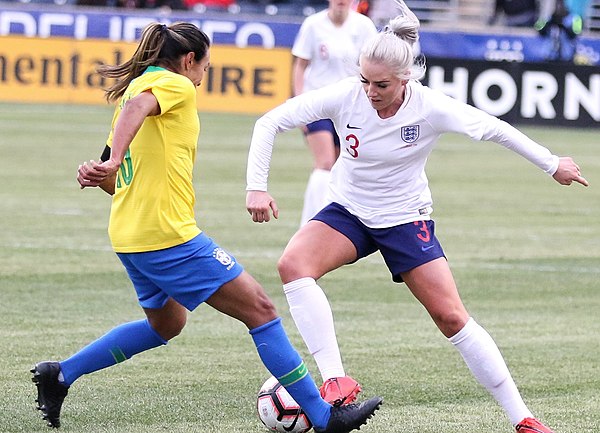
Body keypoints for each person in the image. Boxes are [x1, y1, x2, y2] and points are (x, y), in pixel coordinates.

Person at [245, 1, 588, 432]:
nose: (370, 91)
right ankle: (336, 380)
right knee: (292, 265)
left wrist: (551, 163)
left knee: (451, 318)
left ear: (405, 78)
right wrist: (256, 186)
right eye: (364, 80)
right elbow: (269, 121)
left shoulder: (429, 106)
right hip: (349, 212)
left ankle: (524, 418)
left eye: (381, 85)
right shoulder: (346, 96)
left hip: (406, 218)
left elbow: (496, 129)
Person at [30, 22, 382, 432]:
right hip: (169, 237)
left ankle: (61, 374)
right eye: (205, 67)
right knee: (262, 311)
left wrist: (101, 169)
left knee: (167, 324)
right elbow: (135, 114)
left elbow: (116, 177)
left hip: (131, 235)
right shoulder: (172, 85)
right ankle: (324, 418)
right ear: (189, 60)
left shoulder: (137, 88)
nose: (202, 77)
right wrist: (111, 162)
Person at [292, 0, 377, 227]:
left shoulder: (364, 26)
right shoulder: (313, 24)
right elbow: (300, 64)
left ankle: (333, 222)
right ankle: (309, 224)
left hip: (350, 106)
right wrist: (300, 101)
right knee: (325, 161)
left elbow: (371, 66)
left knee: (341, 165)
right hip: (317, 102)